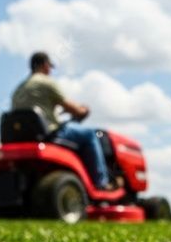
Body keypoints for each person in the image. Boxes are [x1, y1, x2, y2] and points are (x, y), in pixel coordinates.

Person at [10, 51, 117, 190]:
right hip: (50, 134)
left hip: (23, 136)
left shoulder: (19, 88)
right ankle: (101, 183)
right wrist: (83, 110)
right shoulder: (47, 83)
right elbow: (73, 108)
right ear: (44, 65)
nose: (50, 70)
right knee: (91, 134)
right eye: (50, 66)